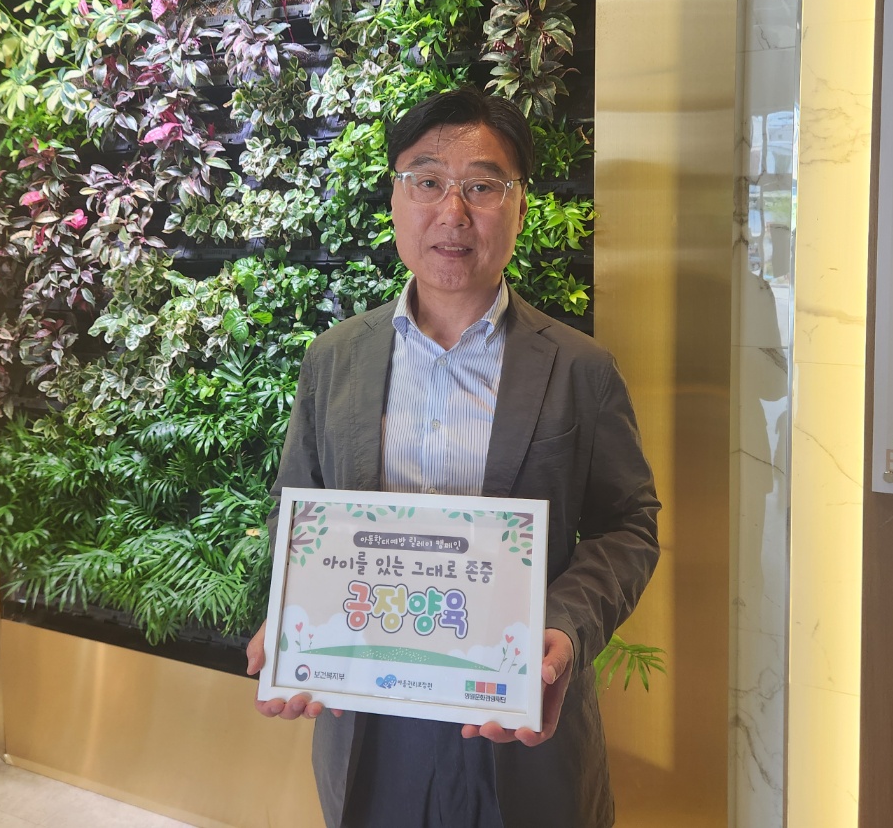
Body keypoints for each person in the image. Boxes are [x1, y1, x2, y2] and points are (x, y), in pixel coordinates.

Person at [245, 87, 660, 828]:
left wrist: (563, 627)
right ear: (395, 199)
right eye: (428, 181)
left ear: (520, 206)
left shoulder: (580, 369)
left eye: (483, 186)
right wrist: (296, 614)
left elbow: (627, 526)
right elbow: (296, 508)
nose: (453, 212)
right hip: (369, 727)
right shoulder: (335, 359)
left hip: (520, 729)